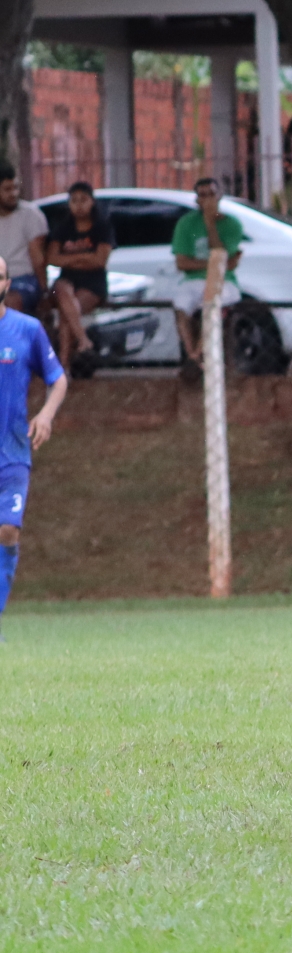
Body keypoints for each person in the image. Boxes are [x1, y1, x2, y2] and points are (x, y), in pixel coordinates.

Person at [0, 251, 69, 638]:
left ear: (7, 284)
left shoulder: (27, 330)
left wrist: (45, 416)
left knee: (8, 530)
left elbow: (58, 379)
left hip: (11, 452)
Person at [171, 177, 246, 381]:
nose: (207, 200)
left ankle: (195, 356)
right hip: (193, 280)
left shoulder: (231, 224)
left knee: (212, 303)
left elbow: (220, 255)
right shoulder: (186, 224)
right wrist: (215, 263)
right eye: (202, 196)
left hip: (224, 281)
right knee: (181, 306)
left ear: (219, 197)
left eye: (211, 195)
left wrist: (210, 223)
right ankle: (192, 354)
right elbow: (182, 263)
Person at [41, 182, 111, 377]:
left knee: (67, 313)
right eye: (74, 201)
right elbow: (52, 258)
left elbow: (100, 260)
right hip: (67, 281)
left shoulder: (102, 228)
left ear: (92, 201)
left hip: (92, 284)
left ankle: (63, 367)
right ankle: (82, 341)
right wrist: (84, 258)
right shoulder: (63, 228)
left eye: (83, 200)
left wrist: (70, 259)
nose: (79, 205)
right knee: (61, 288)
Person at [0, 166, 49, 313]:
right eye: (7, 189)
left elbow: (38, 259)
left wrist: (44, 292)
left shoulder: (31, 214)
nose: (13, 194)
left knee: (10, 301)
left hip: (24, 279)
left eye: (15, 188)